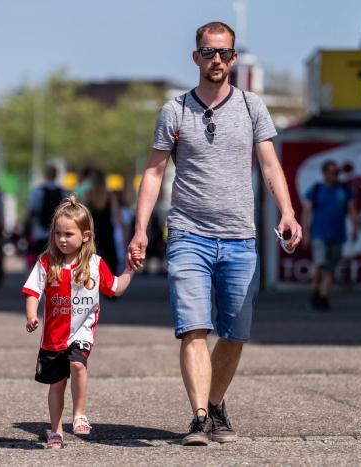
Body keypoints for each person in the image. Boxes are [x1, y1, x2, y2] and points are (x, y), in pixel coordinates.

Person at [127, 22, 302, 446]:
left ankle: (215, 401)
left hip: (240, 238)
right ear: (196, 58)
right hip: (188, 235)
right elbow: (153, 173)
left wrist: (287, 211)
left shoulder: (251, 106)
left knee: (235, 334)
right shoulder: (174, 110)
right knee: (193, 328)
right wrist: (140, 230)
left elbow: (270, 165)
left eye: (224, 53)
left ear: (234, 58)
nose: (216, 60)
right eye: (208, 52)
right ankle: (200, 418)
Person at [23, 194, 135, 449]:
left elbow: (115, 288)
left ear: (85, 236)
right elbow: (32, 291)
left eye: (68, 234)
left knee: (78, 365)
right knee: (56, 385)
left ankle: (79, 414)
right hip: (53, 338)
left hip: (81, 333)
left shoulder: (95, 264)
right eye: (58, 233)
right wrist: (31, 314)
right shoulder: (46, 262)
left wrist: (130, 269)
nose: (62, 239)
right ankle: (55, 431)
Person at [301, 160, 357, 310]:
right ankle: (314, 291)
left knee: (331, 268)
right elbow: (306, 212)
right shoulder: (317, 189)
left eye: (337, 173)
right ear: (325, 173)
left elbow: (352, 210)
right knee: (319, 264)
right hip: (319, 233)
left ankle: (323, 296)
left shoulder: (344, 190)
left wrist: (355, 228)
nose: (335, 175)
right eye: (332, 172)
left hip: (338, 234)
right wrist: (306, 233)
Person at [25, 165, 64, 267]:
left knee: (40, 258)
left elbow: (30, 211)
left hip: (39, 230)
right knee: (55, 259)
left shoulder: (37, 191)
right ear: (56, 175)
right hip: (56, 231)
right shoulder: (62, 192)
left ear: (45, 175)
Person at [84, 169, 119, 275]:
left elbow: (85, 213)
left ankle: (93, 277)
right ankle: (109, 278)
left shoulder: (89, 195)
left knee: (92, 255)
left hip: (93, 229)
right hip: (107, 228)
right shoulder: (110, 195)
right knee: (110, 256)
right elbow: (115, 214)